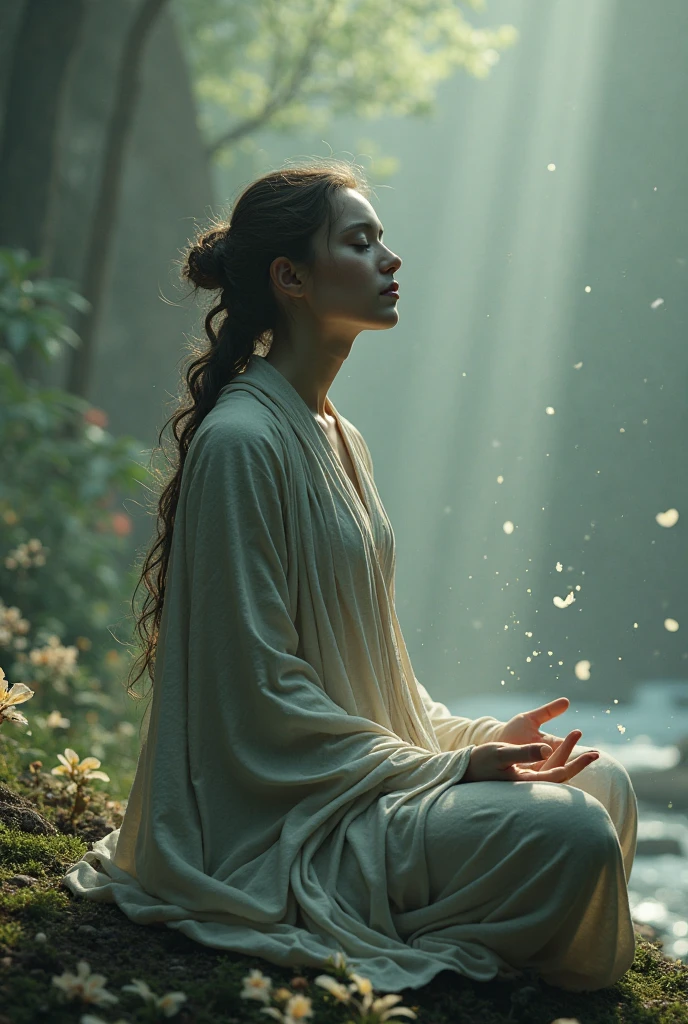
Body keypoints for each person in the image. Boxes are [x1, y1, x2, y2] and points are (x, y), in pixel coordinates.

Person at [60, 158, 638, 994]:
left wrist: (470, 741)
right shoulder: (241, 444)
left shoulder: (340, 436)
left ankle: (472, 901)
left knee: (604, 784)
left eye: (383, 239)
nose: (390, 259)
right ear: (290, 277)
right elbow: (258, 698)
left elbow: (378, 682)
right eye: (361, 242)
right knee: (576, 838)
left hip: (360, 778)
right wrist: (445, 773)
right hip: (286, 822)